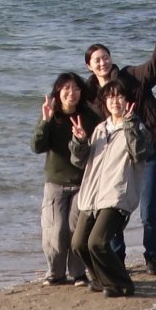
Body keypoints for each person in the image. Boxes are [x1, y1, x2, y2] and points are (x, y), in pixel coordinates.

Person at [81, 14, 156, 274]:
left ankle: (152, 258)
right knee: (112, 209)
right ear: (89, 66)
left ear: (111, 59)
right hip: (116, 160)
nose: (102, 62)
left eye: (105, 57)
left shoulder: (132, 78)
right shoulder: (91, 99)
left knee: (148, 211)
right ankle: (117, 258)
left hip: (147, 152)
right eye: (96, 60)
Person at [69, 82, 153, 297]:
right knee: (79, 244)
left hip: (117, 195)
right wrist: (79, 141)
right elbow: (79, 161)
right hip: (91, 196)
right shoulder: (99, 129)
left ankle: (123, 284)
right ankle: (100, 279)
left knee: (97, 242)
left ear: (128, 101)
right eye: (110, 97)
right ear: (105, 102)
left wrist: (130, 125)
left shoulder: (137, 128)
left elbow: (140, 154)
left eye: (120, 97)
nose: (115, 101)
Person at [32, 71, 100, 285]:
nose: (72, 93)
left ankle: (78, 273)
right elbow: (37, 147)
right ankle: (55, 273)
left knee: (75, 230)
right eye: (67, 88)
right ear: (58, 92)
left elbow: (97, 151)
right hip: (55, 183)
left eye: (76, 88)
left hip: (82, 183)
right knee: (56, 230)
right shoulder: (51, 115)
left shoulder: (89, 117)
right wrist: (45, 121)